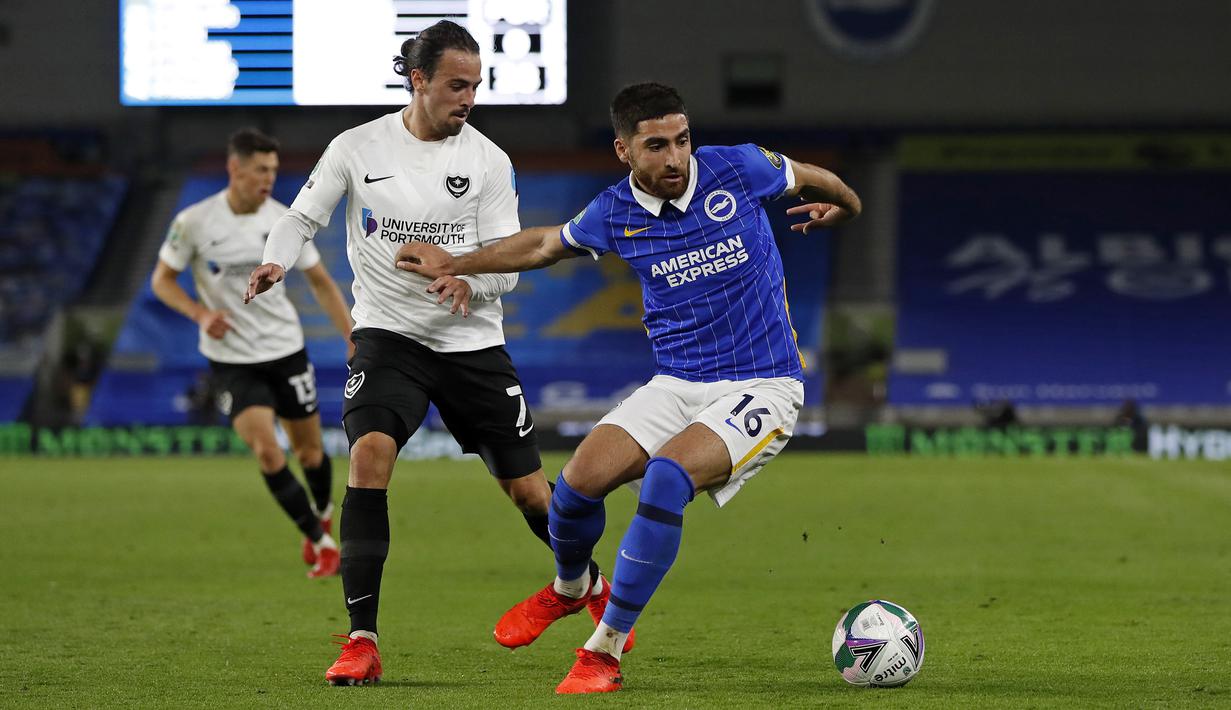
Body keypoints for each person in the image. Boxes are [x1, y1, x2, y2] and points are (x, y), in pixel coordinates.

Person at [395, 82, 862, 693]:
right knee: (574, 488)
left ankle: (605, 650)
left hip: (764, 383)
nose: (675, 158)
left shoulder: (740, 168)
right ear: (624, 151)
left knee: (667, 478)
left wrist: (846, 206)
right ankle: (572, 587)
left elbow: (813, 177)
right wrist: (456, 262)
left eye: (682, 140)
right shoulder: (614, 211)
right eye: (656, 146)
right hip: (677, 383)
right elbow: (544, 245)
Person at [242, 20, 624, 687]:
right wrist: (276, 260)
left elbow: (509, 262)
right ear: (417, 80)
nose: (468, 98)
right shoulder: (357, 147)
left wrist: (468, 277)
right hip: (388, 337)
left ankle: (587, 583)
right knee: (368, 455)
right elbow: (301, 218)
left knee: (529, 492)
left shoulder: (487, 161)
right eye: (456, 85)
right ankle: (361, 641)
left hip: (470, 341)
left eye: (475, 86)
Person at [151, 128, 354, 579]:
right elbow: (161, 281)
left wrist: (351, 335)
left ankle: (321, 515)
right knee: (266, 451)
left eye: (273, 170)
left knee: (310, 454)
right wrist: (200, 314)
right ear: (235, 168)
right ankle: (323, 544)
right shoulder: (194, 222)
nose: (269, 179)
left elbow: (321, 282)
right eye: (261, 169)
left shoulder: (284, 221)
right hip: (231, 361)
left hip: (285, 351)